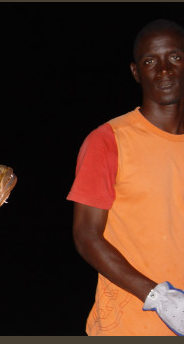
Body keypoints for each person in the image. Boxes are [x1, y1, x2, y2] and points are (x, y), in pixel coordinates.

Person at [67, 19, 184, 336]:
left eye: (174, 57)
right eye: (150, 61)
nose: (163, 70)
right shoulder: (107, 141)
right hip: (127, 326)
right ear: (136, 72)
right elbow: (86, 236)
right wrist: (160, 298)